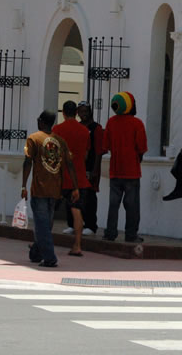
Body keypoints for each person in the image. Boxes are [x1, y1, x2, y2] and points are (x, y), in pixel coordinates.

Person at [22, 110, 79, 267]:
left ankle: (50, 257)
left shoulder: (33, 138)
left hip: (39, 188)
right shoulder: (60, 141)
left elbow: (27, 162)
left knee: (42, 225)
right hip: (55, 189)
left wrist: (23, 185)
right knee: (46, 223)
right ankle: (37, 251)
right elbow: (70, 164)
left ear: (40, 121)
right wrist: (75, 187)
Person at [102, 92, 148, 243]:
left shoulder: (111, 122)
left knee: (113, 205)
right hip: (132, 172)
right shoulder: (137, 123)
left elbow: (105, 146)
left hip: (115, 171)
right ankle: (131, 234)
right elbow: (141, 148)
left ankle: (110, 233)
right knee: (132, 205)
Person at [53, 100, 91, 256]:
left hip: (61, 178)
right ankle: (77, 245)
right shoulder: (84, 131)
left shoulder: (57, 129)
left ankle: (41, 242)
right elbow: (86, 154)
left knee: (49, 210)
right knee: (77, 212)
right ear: (76, 113)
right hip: (79, 177)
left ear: (63, 113)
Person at [75, 101, 103, 235]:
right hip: (79, 167)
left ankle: (91, 225)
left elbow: (98, 151)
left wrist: (95, 170)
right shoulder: (78, 126)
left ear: (90, 111)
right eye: (81, 111)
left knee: (90, 197)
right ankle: (76, 224)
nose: (83, 114)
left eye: (85, 111)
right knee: (77, 196)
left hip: (90, 167)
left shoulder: (96, 128)